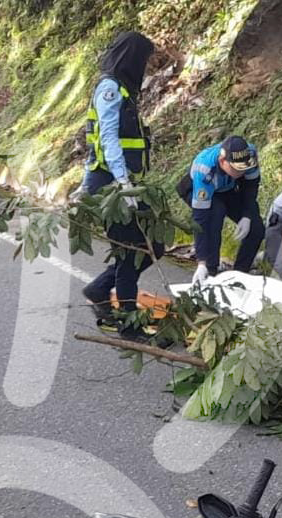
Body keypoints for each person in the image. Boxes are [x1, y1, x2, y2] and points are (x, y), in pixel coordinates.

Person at [79, 31, 165, 340]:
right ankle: (130, 327)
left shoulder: (124, 90)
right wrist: (123, 182)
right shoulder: (110, 89)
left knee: (153, 245)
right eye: (143, 60)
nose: (145, 66)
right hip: (111, 186)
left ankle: (100, 288)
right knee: (131, 252)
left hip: (120, 183)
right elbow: (108, 139)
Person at [183, 136, 263, 285]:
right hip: (198, 188)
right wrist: (201, 262)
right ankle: (209, 272)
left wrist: (246, 216)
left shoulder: (250, 155)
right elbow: (200, 219)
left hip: (228, 188)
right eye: (236, 169)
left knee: (256, 227)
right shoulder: (204, 168)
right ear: (222, 161)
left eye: (244, 168)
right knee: (215, 214)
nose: (241, 172)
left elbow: (250, 189)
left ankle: (239, 275)